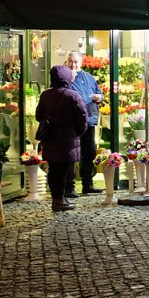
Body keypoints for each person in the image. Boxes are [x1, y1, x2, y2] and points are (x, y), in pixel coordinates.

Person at [36, 65, 88, 212]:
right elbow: (82, 118)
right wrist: (77, 133)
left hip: (50, 138)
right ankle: (60, 200)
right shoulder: (72, 95)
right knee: (64, 169)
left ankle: (56, 199)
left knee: (53, 169)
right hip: (67, 139)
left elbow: (39, 116)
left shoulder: (45, 95)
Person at [66, 51, 103, 196]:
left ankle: (87, 183)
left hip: (89, 120)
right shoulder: (65, 77)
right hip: (73, 123)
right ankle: (69, 187)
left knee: (90, 152)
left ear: (81, 62)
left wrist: (99, 97)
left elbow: (99, 93)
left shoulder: (88, 77)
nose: (73, 65)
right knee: (71, 154)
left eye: (76, 62)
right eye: (71, 61)